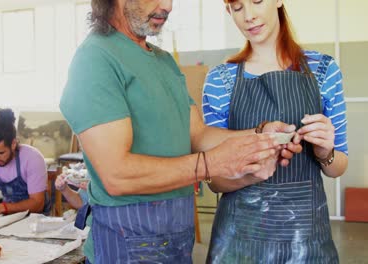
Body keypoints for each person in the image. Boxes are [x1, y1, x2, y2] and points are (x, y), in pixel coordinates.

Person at [60, 0, 300, 263]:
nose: (168, 6)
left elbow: (197, 135)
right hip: (124, 245)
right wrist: (214, 163)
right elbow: (116, 175)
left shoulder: (163, 62)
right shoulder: (96, 59)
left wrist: (260, 136)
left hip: (175, 240)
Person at [202, 0, 348, 263]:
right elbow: (215, 181)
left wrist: (325, 151)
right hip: (239, 243)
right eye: (237, 8)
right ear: (228, 11)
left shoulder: (323, 70)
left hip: (307, 243)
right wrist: (253, 170)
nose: (249, 16)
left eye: (257, 1)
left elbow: (338, 167)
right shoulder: (219, 80)